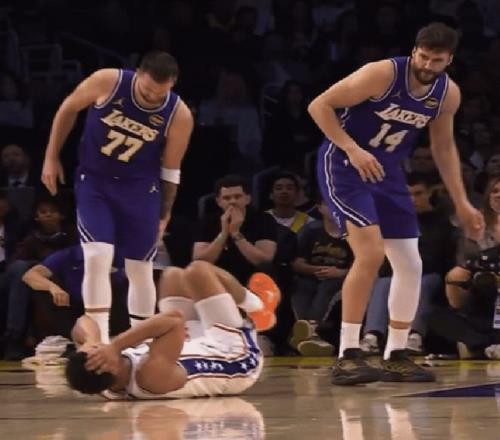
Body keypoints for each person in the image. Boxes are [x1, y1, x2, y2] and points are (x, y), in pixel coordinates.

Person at [308, 22, 485, 385]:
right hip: (344, 164)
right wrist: (352, 148)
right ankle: (348, 353)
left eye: (436, 60)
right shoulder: (382, 73)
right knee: (371, 254)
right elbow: (319, 105)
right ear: (414, 50)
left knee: (410, 263)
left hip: (387, 171)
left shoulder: (447, 94)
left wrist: (462, 203)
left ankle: (397, 354)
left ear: (449, 60)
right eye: (423, 56)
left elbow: (443, 147)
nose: (427, 65)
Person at [40, 51, 194, 343]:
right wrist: (51, 156)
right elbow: (68, 108)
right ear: (138, 74)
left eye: (160, 93)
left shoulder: (179, 113)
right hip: (95, 181)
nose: (152, 98)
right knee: (98, 256)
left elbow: (171, 169)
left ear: (172, 84)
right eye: (147, 91)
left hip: (140, 188)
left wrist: (165, 214)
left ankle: (142, 343)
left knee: (140, 267)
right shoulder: (107, 81)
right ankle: (98, 340)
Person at [65, 260, 280, 398]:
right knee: (198, 270)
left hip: (192, 345)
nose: (99, 348)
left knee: (172, 276)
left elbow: (82, 322)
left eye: (91, 349)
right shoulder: (149, 377)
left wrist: (91, 341)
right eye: (97, 351)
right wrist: (115, 346)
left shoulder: (104, 376)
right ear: (109, 368)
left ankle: (248, 307)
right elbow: (174, 319)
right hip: (235, 358)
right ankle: (258, 306)